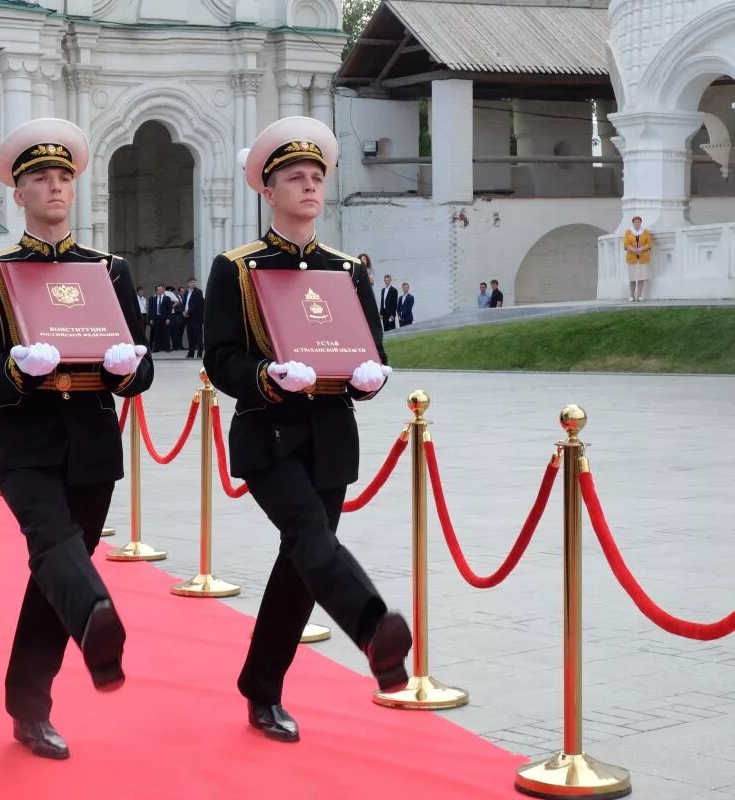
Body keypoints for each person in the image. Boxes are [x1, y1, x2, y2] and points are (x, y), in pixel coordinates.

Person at [203, 116, 413, 745]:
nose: (309, 185)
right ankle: (374, 627)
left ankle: (262, 690)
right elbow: (220, 358)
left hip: (330, 440)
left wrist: (370, 378)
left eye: (317, 176)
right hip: (268, 435)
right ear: (268, 191)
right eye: (294, 176)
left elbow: (368, 350)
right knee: (309, 537)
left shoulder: (347, 269)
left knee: (299, 569)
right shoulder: (236, 268)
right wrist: (269, 374)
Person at [0, 118, 153, 761]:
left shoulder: (109, 271)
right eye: (40, 178)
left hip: (93, 444)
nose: (54, 187)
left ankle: (27, 705)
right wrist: (22, 368)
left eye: (64, 176)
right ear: (19, 194)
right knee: (54, 545)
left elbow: (140, 365)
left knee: (52, 577)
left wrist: (129, 369)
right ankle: (98, 622)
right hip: (26, 442)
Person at [623, 215, 653, 302]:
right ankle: (632, 295)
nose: (637, 223)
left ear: (641, 223)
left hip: (642, 258)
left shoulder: (646, 232)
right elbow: (626, 244)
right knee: (632, 278)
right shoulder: (628, 232)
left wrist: (640, 249)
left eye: (638, 222)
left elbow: (649, 243)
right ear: (633, 223)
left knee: (641, 277)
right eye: (635, 222)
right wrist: (634, 250)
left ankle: (639, 295)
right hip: (632, 258)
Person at [181, 277, 204, 358]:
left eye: (194, 282)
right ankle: (191, 353)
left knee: (198, 336)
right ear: (188, 283)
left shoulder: (198, 292)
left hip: (196, 317)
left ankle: (199, 353)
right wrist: (183, 311)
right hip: (188, 317)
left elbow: (197, 304)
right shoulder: (186, 292)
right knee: (190, 335)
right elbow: (184, 303)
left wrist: (188, 311)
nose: (193, 283)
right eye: (191, 282)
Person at [149, 284, 173, 353]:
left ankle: (167, 348)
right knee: (156, 334)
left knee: (166, 333)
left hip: (165, 318)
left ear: (163, 290)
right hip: (156, 318)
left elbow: (169, 309)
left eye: (160, 289)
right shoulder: (153, 299)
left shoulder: (167, 298)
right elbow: (151, 309)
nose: (159, 291)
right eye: (157, 289)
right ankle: (156, 348)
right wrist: (151, 319)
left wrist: (168, 318)